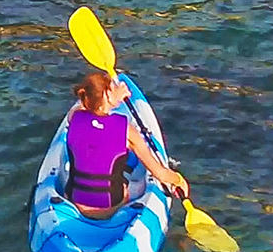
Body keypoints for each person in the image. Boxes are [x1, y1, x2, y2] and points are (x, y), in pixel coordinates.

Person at [65, 71, 187, 220]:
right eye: (113, 87)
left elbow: (86, 109)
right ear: (107, 95)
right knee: (136, 172)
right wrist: (178, 180)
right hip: (110, 207)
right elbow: (160, 174)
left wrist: (111, 96)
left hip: (75, 201)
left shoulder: (74, 117)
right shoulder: (126, 130)